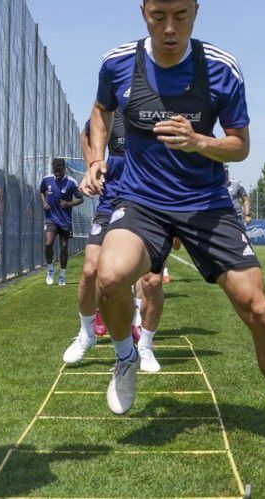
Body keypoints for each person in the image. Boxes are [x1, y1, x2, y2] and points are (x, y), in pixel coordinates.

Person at [86, 0, 265, 460]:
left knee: (258, 308)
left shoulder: (221, 69)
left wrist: (198, 141)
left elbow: (240, 147)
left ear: (196, 13)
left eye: (181, 17)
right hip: (142, 200)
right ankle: (125, 358)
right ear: (143, 14)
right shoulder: (117, 63)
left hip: (206, 204)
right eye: (158, 17)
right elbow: (100, 112)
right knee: (107, 276)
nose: (170, 29)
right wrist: (95, 159)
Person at [66, 113, 166, 373]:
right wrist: (93, 166)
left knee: (151, 281)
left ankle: (144, 344)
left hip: (150, 202)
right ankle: (86, 333)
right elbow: (86, 132)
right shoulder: (113, 106)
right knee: (90, 269)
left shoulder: (160, 104)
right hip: (113, 198)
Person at [40, 157, 84, 285]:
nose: (57, 174)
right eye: (55, 171)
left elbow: (80, 199)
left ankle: (62, 276)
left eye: (60, 171)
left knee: (64, 247)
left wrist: (69, 203)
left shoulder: (72, 182)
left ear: (64, 169)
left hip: (65, 220)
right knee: (48, 244)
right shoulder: (46, 179)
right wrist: (44, 203)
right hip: (51, 218)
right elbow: (42, 191)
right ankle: (50, 269)